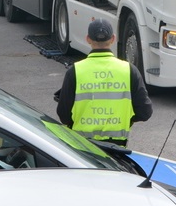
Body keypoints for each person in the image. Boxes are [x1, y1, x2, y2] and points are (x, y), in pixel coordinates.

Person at [56, 17, 153, 146]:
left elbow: (63, 115)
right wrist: (126, 120)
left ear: (88, 39)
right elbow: (145, 112)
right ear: (113, 39)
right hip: (117, 148)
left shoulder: (75, 71)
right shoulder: (129, 70)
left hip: (82, 146)